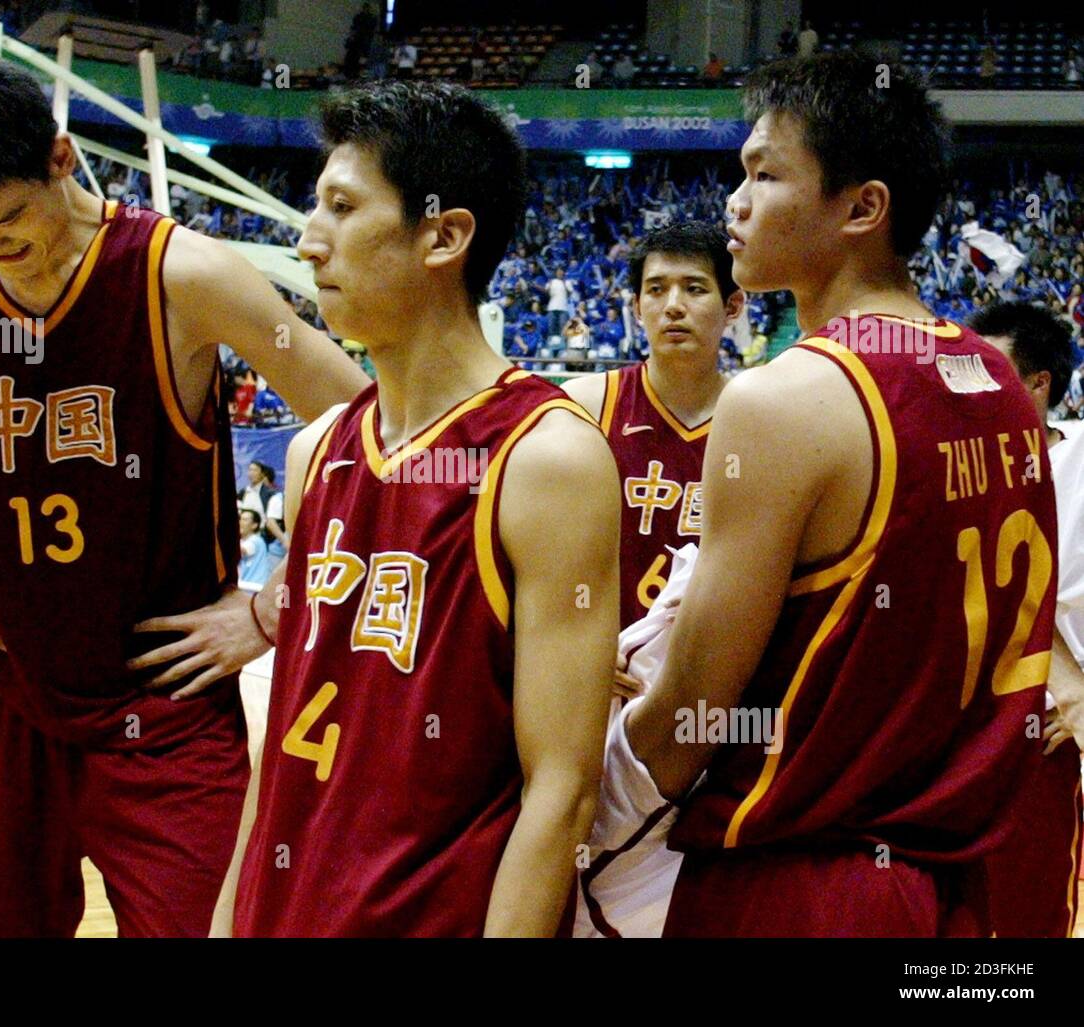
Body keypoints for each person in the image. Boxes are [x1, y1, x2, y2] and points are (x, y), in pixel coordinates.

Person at [0, 50, 369, 938]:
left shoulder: (183, 274)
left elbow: (367, 427)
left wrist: (273, 606)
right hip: (1, 687)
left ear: (61, 158)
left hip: (163, 697)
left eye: (10, 222)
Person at [620, 52, 1057, 937]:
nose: (734, 202)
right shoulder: (998, 383)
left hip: (802, 881)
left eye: (765, 173)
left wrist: (579, 815)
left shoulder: (783, 398)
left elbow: (691, 717)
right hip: (958, 884)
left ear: (862, 208)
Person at [215, 80, 619, 937]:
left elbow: (562, 790)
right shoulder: (313, 451)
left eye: (341, 206)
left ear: (444, 234)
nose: (308, 240)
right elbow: (278, 753)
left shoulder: (547, 458)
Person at [563, 221, 743, 631]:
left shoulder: (762, 424)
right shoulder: (583, 407)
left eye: (695, 289)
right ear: (636, 307)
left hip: (715, 668)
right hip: (600, 663)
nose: (673, 306)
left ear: (733, 306)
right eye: (657, 289)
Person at [970, 301, 1084, 937]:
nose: (972, 383)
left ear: (1039, 383)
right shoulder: (945, 457)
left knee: (1031, 912)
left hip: (1043, 732)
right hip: (951, 726)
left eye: (990, 368)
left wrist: (1076, 695)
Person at [237, 508, 273, 586]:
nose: (240, 522)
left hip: (255, 587)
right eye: (240, 519)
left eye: (245, 520)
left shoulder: (257, 541)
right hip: (245, 585)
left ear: (254, 525)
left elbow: (242, 550)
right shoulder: (242, 541)